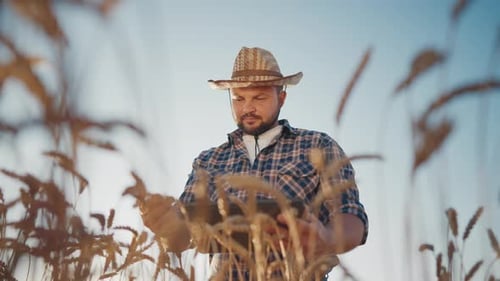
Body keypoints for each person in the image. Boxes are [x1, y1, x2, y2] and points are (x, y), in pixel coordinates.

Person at [141, 46, 368, 280]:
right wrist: (164, 225)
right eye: (238, 98)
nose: (247, 108)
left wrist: (327, 240)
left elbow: (349, 214)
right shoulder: (208, 161)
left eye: (259, 97)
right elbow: (182, 236)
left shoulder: (318, 146)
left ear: (281, 97)